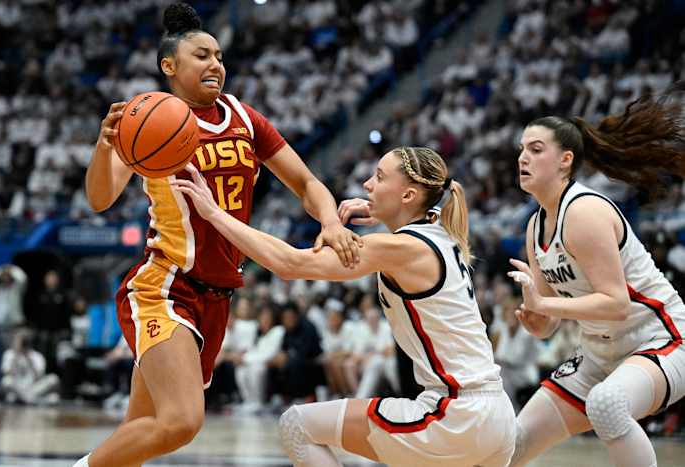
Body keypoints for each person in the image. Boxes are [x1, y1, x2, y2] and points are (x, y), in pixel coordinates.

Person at [75, 3, 359, 466]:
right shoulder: (150, 120)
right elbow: (100, 198)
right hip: (165, 285)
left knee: (141, 431)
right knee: (182, 422)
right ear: (169, 66)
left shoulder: (243, 118)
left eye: (220, 56)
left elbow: (307, 183)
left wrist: (329, 221)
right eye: (202, 55)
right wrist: (104, 146)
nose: (216, 65)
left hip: (218, 294)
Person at [173, 146, 516, 467]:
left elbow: (289, 264)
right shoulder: (440, 234)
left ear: (408, 195)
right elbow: (422, 213)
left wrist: (214, 213)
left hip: (457, 414)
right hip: (496, 415)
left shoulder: (402, 248)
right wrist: (384, 210)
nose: (367, 183)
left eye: (380, 178)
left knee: (298, 426)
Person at [507, 84, 685, 467]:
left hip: (661, 339)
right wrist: (538, 319)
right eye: (522, 149)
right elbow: (550, 321)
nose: (523, 157)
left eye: (536, 149)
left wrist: (546, 303)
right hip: (598, 353)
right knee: (510, 446)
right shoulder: (535, 225)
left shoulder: (584, 212)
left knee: (607, 405)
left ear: (565, 160)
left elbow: (617, 304)